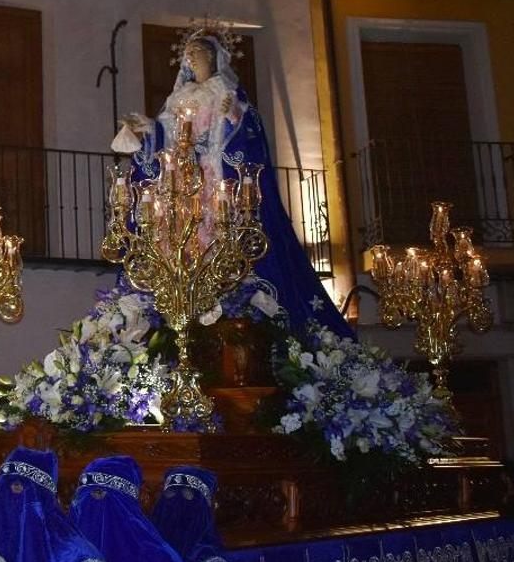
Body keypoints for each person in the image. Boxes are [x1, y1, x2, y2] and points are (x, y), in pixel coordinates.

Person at [112, 26, 350, 338]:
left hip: (216, 179)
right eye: (188, 56)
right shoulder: (179, 98)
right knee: (175, 246)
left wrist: (235, 115)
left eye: (196, 53)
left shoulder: (227, 90)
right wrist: (149, 128)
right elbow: (167, 136)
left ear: (212, 56)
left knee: (222, 239)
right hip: (183, 186)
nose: (191, 59)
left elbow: (251, 132)